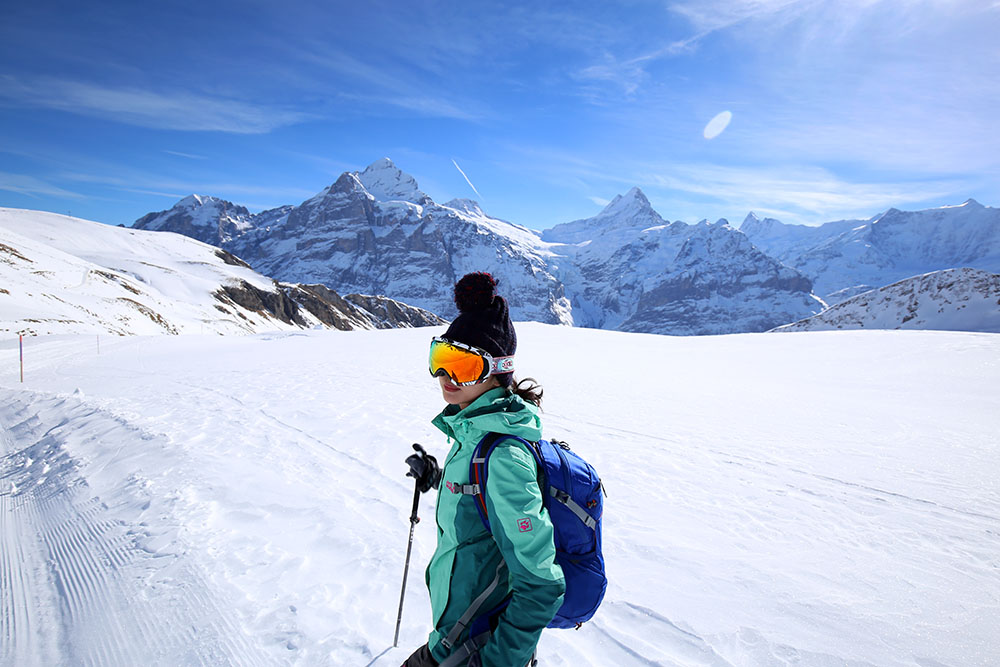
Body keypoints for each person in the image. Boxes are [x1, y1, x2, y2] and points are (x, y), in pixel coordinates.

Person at [402, 272, 565, 667]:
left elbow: (541, 584)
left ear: (497, 371)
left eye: (464, 366)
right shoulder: (474, 432)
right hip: (451, 636)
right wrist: (440, 479)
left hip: (475, 646)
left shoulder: (502, 455)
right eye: (441, 361)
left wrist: (495, 662)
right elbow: (482, 509)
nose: (446, 377)